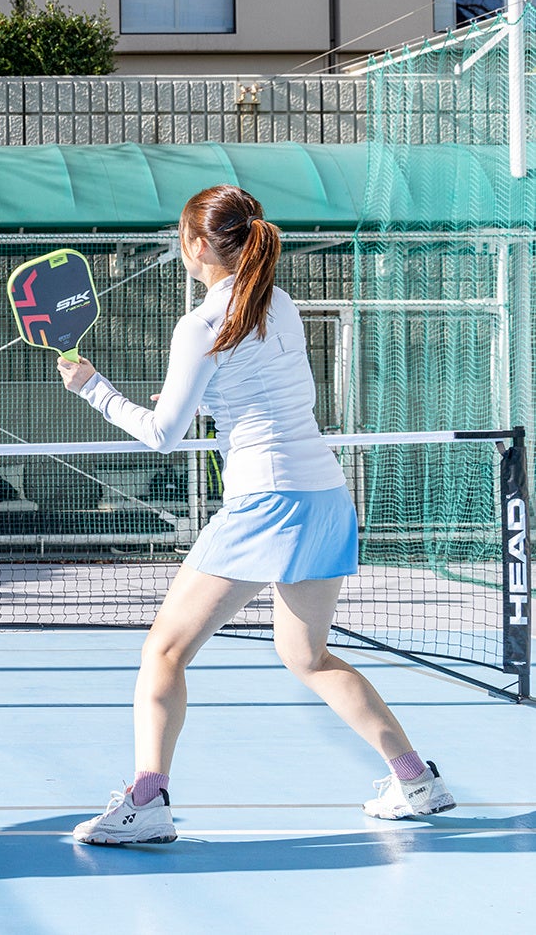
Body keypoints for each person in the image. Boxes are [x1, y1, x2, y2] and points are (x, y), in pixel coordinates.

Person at [57, 184, 453, 845]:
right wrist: (203, 402)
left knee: (164, 650)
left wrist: (92, 388)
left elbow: (162, 434)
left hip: (266, 502)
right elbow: (264, 393)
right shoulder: (280, 303)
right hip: (325, 495)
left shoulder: (200, 323)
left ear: (195, 244)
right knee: (308, 655)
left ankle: (146, 800)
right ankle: (414, 779)